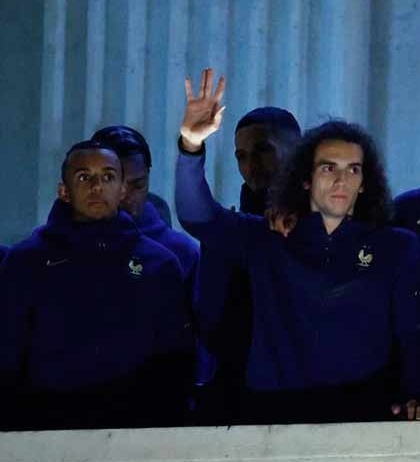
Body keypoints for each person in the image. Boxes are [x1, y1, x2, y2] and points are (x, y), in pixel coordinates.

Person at [174, 67, 420, 462]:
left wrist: (417, 392)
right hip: (276, 418)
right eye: (327, 168)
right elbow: (197, 216)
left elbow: (418, 333)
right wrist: (190, 145)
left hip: (360, 416)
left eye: (352, 169)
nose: (340, 180)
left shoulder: (396, 247)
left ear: (367, 179)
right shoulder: (267, 239)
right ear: (304, 176)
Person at [0, 139, 192, 431]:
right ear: (64, 191)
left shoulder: (159, 264)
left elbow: (174, 361)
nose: (97, 186)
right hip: (42, 433)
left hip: (135, 433)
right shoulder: (26, 262)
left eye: (108, 177)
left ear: (123, 189)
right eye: (84, 177)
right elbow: (8, 357)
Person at [194, 105, 303, 419]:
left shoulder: (321, 226)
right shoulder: (227, 230)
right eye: (240, 156)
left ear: (296, 150)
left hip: (300, 392)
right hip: (232, 393)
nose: (251, 165)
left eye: (262, 151)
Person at [91, 125, 200, 286]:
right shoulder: (60, 247)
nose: (125, 197)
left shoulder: (182, 254)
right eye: (113, 183)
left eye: (138, 185)